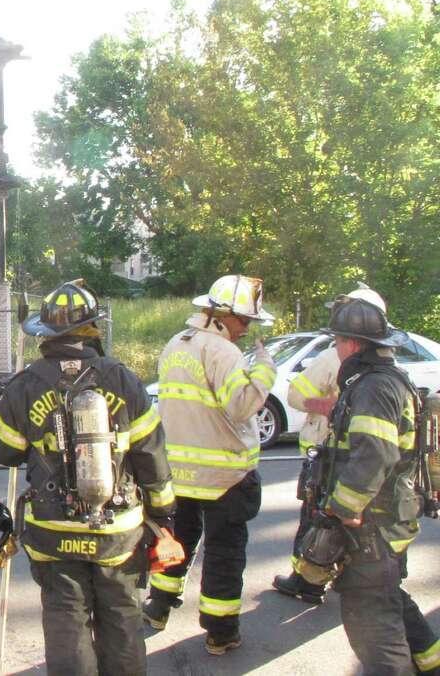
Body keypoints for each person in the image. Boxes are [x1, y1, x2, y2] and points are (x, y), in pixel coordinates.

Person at [0, 279, 176, 676]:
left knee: (65, 624)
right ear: (93, 328)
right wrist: (164, 514)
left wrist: (15, 403)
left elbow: (3, 450)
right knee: (122, 620)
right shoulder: (122, 379)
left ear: (46, 332)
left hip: (54, 533)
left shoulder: (27, 384)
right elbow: (151, 453)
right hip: (118, 533)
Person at [142, 275, 276, 655]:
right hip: (224, 477)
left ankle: (158, 607)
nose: (247, 328)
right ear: (222, 314)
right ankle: (220, 632)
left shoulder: (175, 345)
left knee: (176, 543)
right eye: (245, 320)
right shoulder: (223, 352)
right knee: (224, 554)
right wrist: (264, 370)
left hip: (179, 474)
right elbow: (242, 406)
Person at [307, 294, 439, 674]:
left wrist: (341, 511)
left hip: (371, 530)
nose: (336, 349)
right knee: (388, 597)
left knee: (374, 630)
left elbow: (374, 456)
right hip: (385, 524)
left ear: (350, 343)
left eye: (336, 342)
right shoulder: (382, 380)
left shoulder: (374, 388)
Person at [272, 283, 383, 605]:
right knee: (324, 515)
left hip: (340, 456)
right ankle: (309, 579)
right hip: (327, 452)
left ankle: (309, 581)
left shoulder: (361, 363)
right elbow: (295, 394)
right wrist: (323, 406)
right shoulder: (333, 358)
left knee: (320, 518)